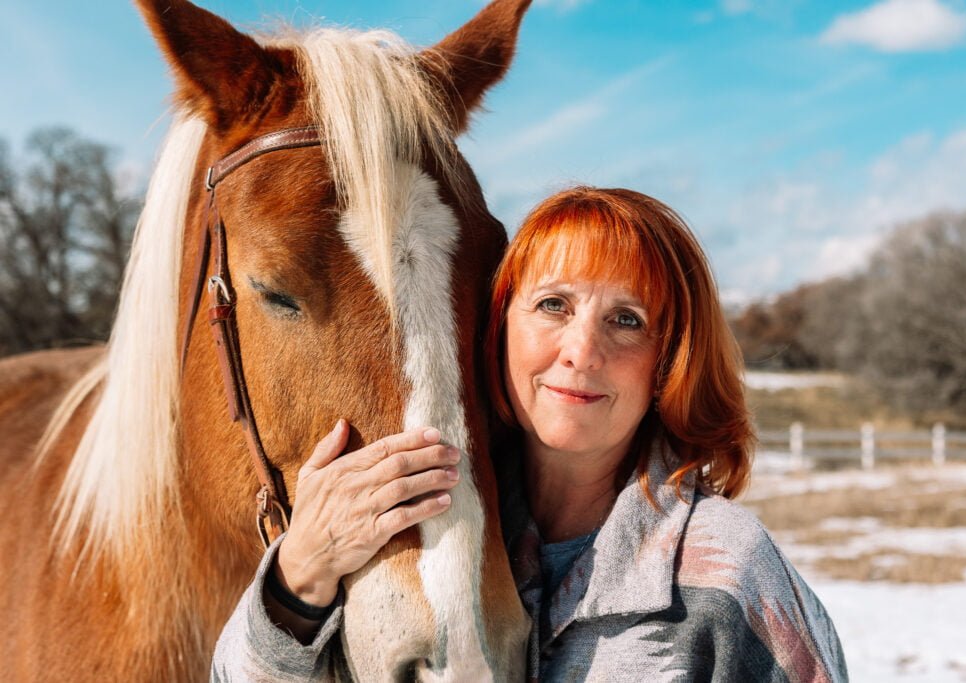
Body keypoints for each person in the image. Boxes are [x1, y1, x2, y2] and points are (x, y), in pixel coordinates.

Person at [212, 187, 848, 681]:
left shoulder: (726, 573)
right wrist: (297, 577)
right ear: (498, 325)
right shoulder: (413, 527)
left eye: (627, 320)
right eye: (554, 305)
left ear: (669, 359)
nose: (581, 351)